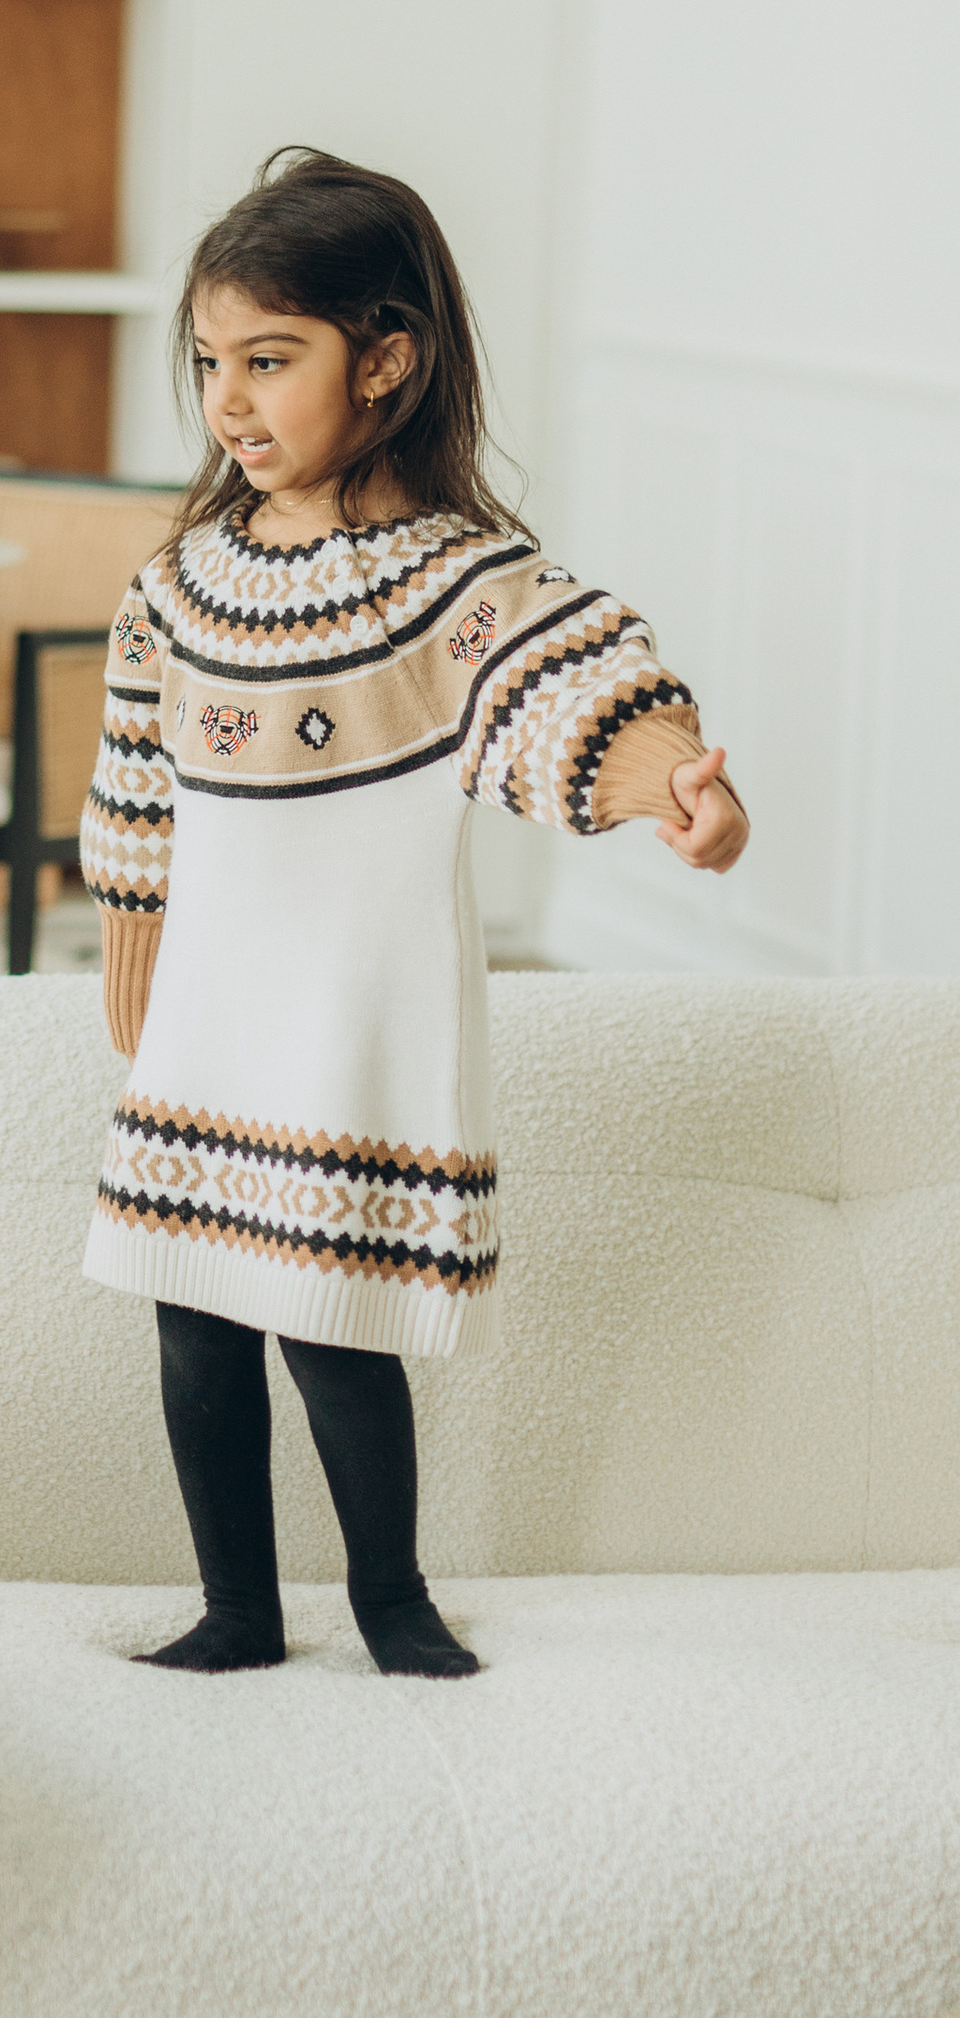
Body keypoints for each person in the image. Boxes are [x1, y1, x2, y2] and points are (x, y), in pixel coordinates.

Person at [82, 148, 748, 1681]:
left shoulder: (451, 586)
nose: (231, 402)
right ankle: (237, 1612)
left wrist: (672, 790)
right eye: (208, 365)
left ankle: (391, 1598)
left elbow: (569, 683)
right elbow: (134, 791)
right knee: (192, 1315)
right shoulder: (175, 588)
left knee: (329, 1318)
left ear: (385, 361)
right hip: (206, 1018)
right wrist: (137, 968)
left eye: (270, 360)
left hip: (345, 1019)